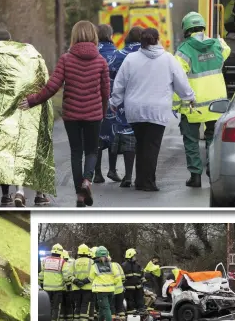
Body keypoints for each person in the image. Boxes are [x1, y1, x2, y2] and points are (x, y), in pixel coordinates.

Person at [19, 21, 110, 207]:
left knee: (76, 152)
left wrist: (32, 100)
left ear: (75, 35)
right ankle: (87, 181)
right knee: (92, 151)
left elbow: (52, 86)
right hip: (94, 114)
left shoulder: (66, 59)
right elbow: (105, 92)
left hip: (72, 114)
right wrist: (102, 111)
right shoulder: (101, 61)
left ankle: (79, 195)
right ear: (93, 36)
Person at [110, 27, 195, 191]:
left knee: (141, 144)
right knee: (152, 146)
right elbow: (181, 82)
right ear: (157, 39)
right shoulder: (168, 59)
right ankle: (147, 182)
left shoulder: (131, 59)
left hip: (135, 110)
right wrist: (189, 97)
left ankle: (141, 180)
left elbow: (119, 84)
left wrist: (115, 102)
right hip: (158, 110)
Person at [0, 29, 55, 207]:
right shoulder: (28, 52)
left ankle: (6, 195)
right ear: (10, 40)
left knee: (3, 150)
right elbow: (43, 79)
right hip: (27, 106)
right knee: (31, 146)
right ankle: (38, 193)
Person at [172, 12, 231, 187]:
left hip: (193, 105)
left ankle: (195, 176)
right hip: (217, 104)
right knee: (213, 138)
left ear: (186, 29)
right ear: (203, 27)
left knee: (191, 140)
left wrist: (175, 104)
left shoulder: (182, 51)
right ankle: (212, 171)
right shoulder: (218, 45)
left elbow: (178, 80)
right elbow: (227, 50)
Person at [108, 26, 143, 187]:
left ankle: (121, 173)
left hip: (121, 100)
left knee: (122, 133)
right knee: (141, 138)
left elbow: (111, 74)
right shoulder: (147, 55)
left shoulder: (118, 55)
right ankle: (134, 174)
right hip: (143, 100)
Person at [94, 24, 120, 184]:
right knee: (113, 134)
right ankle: (112, 169)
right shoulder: (117, 54)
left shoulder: (93, 53)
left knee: (97, 135)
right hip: (113, 101)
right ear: (111, 35)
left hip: (95, 100)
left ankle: (97, 172)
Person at [38, 244, 73, 321]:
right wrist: (68, 285)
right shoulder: (62, 262)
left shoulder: (45, 260)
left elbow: (41, 274)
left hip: (46, 288)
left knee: (47, 306)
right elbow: (66, 276)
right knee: (56, 306)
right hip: (58, 288)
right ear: (60, 252)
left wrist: (41, 284)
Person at [88, 246, 117, 321]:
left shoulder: (95, 266)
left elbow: (90, 278)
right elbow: (117, 277)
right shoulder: (112, 265)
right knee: (102, 310)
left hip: (101, 291)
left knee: (106, 309)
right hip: (111, 290)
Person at [72, 244, 94, 321]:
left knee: (78, 305)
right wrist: (85, 281)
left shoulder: (74, 262)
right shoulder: (91, 262)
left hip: (77, 287)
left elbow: (69, 275)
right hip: (88, 287)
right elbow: (93, 275)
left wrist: (76, 281)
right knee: (85, 305)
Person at [122, 248, 145, 314]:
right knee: (130, 302)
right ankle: (131, 314)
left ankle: (141, 311)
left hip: (138, 287)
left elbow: (142, 274)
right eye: (134, 256)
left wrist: (143, 281)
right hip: (129, 288)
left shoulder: (138, 265)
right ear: (130, 256)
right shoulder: (124, 265)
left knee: (140, 301)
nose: (135, 257)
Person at [109, 255, 126, 321]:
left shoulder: (105, 267)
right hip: (120, 290)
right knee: (120, 306)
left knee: (112, 306)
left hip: (111, 290)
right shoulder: (117, 265)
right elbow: (123, 277)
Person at [62, 250, 75, 321]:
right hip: (71, 286)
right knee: (70, 304)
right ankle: (70, 320)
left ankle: (64, 319)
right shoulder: (73, 261)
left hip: (62, 287)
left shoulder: (61, 263)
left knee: (63, 304)